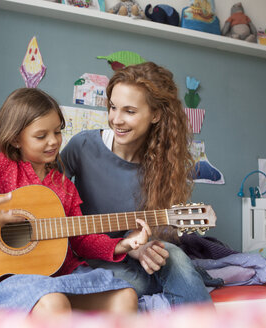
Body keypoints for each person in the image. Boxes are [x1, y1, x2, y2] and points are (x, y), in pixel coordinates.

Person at [0, 88, 152, 316]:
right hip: (13, 275)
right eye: (41, 136)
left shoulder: (65, 186)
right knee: (54, 302)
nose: (53, 142)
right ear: (15, 139)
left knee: (125, 296)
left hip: (63, 271)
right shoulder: (1, 167)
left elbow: (82, 240)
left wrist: (124, 245)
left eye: (57, 132)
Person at [61, 62, 212, 307]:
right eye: (112, 107)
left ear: (156, 115)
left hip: (128, 254)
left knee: (175, 257)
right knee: (138, 285)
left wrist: (139, 246)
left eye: (129, 111)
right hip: (87, 254)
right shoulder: (83, 146)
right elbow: (44, 190)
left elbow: (158, 228)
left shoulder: (164, 165)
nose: (116, 120)